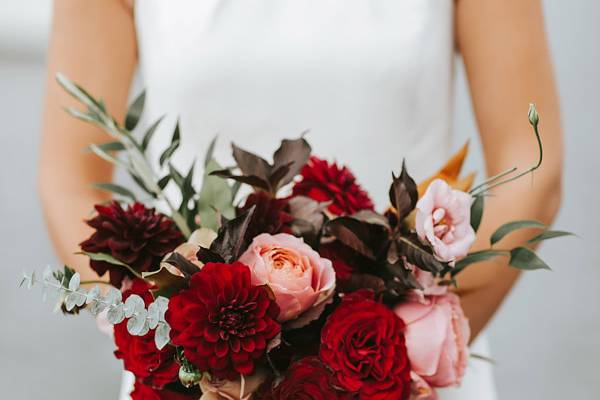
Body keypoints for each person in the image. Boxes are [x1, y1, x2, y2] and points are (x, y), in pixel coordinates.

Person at [39, 1, 562, 399]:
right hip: (203, 378)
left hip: (400, 372)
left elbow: (534, 165)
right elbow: (69, 176)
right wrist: (177, 353)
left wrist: (397, 364)